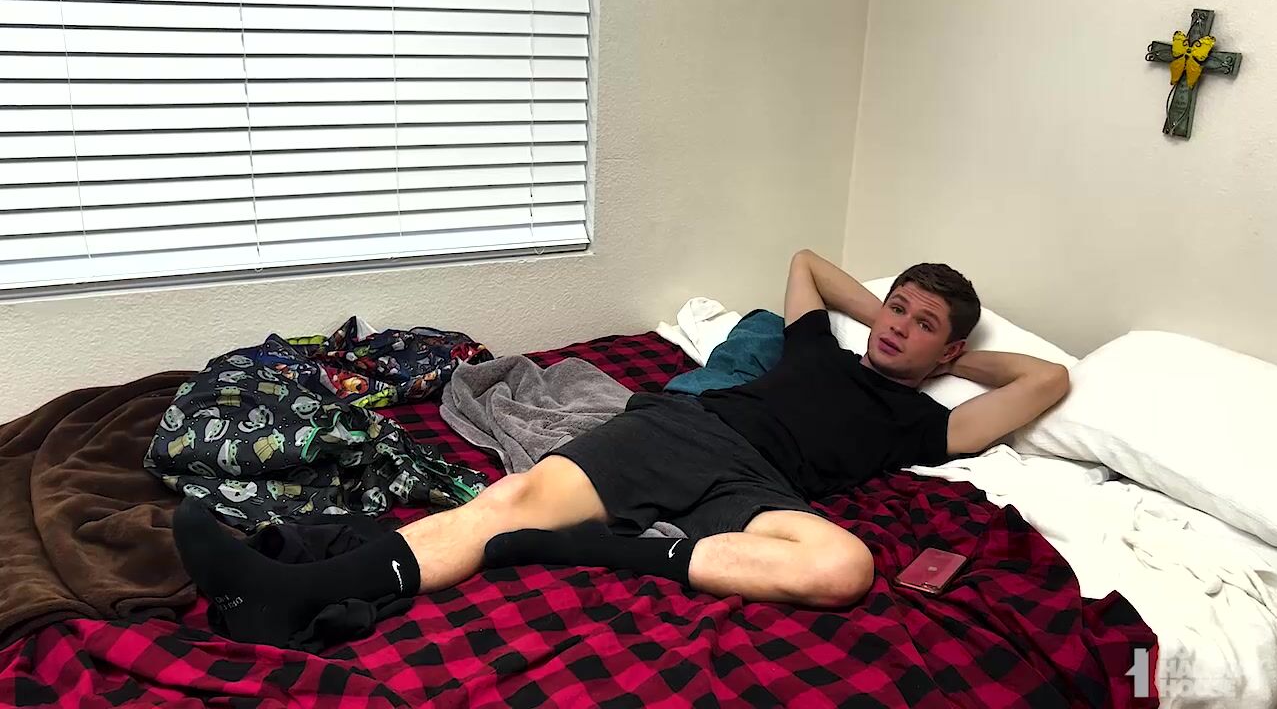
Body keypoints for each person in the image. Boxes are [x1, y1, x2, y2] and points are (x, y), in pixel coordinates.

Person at [175, 250, 1069, 646]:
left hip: (760, 491)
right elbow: (806, 262)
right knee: (507, 505)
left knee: (846, 567)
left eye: (922, 325)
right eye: (896, 308)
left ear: (949, 349)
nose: (897, 326)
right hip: (688, 430)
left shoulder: (924, 422)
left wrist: (946, 360)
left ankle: (600, 549)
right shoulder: (816, 346)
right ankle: (294, 594)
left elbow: (1046, 381)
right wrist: (889, 315)